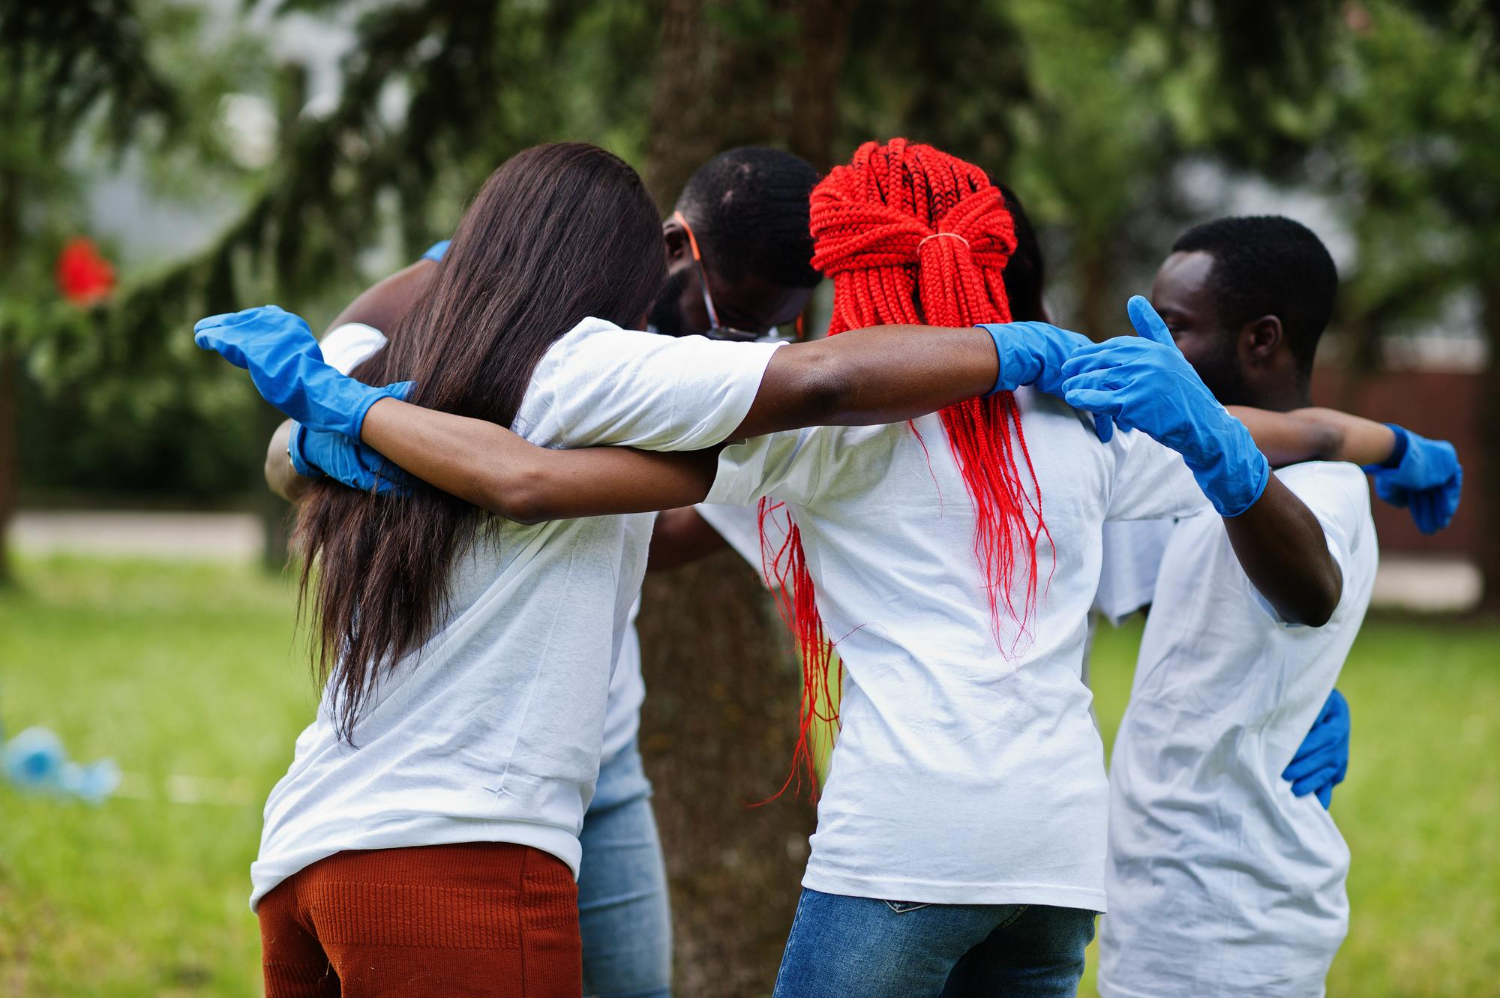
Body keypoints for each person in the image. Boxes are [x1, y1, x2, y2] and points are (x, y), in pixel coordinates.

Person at [233, 139, 1352, 996]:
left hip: (903, 849)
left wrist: (354, 425)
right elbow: (1292, 484)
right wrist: (1325, 441)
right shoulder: (1086, 425)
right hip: (1058, 866)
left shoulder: (809, 434)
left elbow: (560, 478)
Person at [261, 146, 823, 998]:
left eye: (762, 330)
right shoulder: (586, 361)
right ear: (668, 251)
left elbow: (542, 491)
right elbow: (519, 482)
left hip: (363, 813)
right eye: (731, 312)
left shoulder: (483, 364)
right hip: (471, 814)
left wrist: (355, 417)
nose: (731, 339)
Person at [1090, 216, 1462, 998]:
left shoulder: (1322, 488)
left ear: (1261, 341)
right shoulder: (1182, 473)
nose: (1160, 353)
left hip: (1234, 914)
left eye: (1177, 329)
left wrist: (1221, 456)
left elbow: (1312, 589)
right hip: (1161, 903)